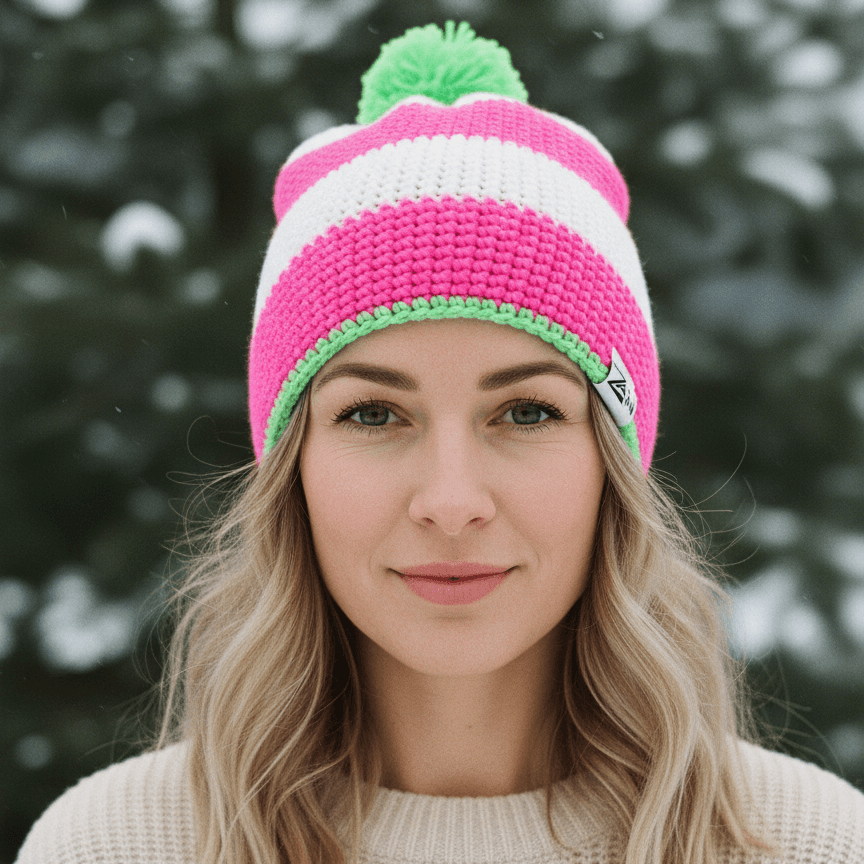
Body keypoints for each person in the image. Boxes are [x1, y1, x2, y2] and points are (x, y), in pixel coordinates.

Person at [15, 21, 864, 864]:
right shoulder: (113, 847)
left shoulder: (808, 845)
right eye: (372, 415)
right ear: (291, 466)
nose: (451, 503)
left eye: (526, 412)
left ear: (613, 461)